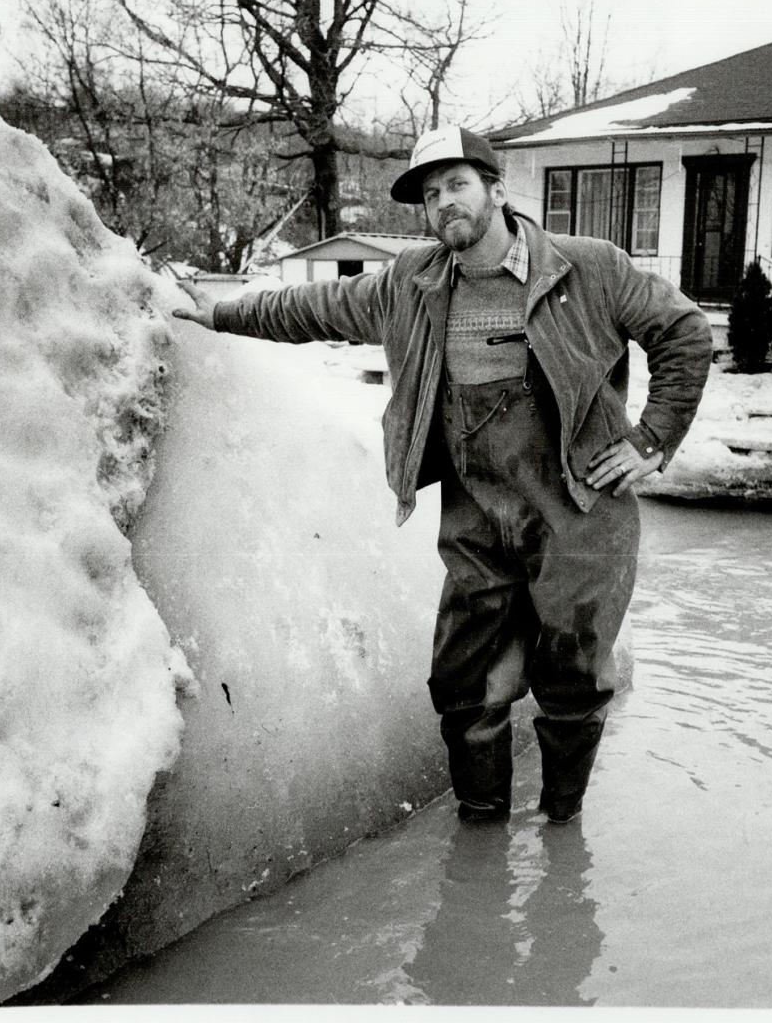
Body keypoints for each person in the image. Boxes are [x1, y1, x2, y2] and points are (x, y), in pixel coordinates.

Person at [172, 125, 712, 825]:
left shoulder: (588, 267)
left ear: (494, 189)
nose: (443, 204)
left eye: (456, 185)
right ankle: (480, 839)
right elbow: (310, 307)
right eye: (430, 195)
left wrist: (652, 438)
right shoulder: (413, 282)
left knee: (570, 680)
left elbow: (684, 332)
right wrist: (216, 314)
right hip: (476, 515)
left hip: (579, 514)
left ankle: (559, 833)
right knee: (462, 684)